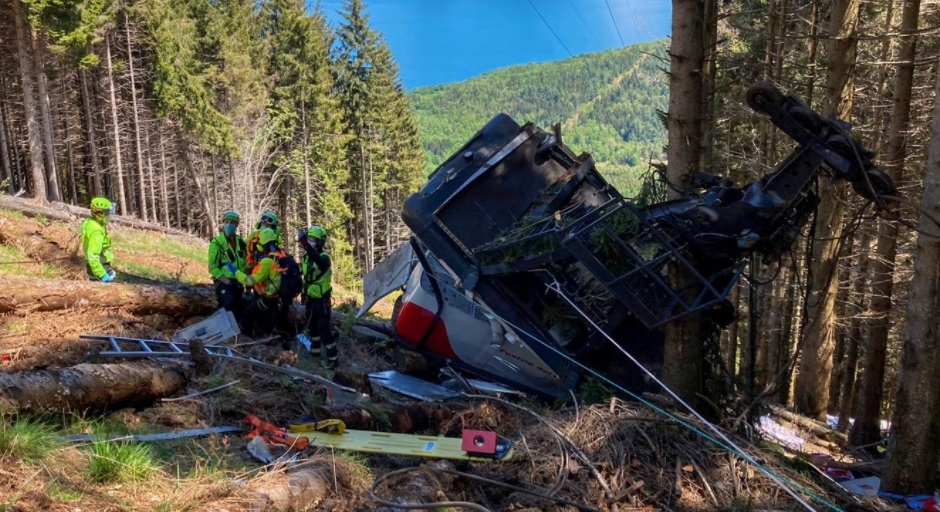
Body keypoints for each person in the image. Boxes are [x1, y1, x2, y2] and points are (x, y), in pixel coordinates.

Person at [227, 227, 282, 338]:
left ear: (264, 244)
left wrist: (235, 271)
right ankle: (267, 337)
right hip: (276, 298)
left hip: (268, 298)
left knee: (248, 314)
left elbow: (249, 281)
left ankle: (245, 339)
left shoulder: (267, 261)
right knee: (265, 320)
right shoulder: (281, 256)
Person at [299, 225, 336, 369]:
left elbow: (320, 264)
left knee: (323, 328)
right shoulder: (306, 257)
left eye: (313, 239)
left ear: (320, 242)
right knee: (312, 327)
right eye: (309, 239)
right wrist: (303, 293)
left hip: (321, 300)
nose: (311, 242)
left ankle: (333, 358)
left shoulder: (324, 257)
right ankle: (315, 353)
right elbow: (307, 277)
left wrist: (306, 245)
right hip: (310, 298)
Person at [208, 210, 248, 323]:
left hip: (239, 281)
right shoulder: (217, 243)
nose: (229, 225)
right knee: (228, 302)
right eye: (227, 222)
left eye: (232, 222)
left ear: (236, 225)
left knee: (239, 309)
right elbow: (212, 268)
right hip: (224, 282)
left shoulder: (240, 242)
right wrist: (227, 281)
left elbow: (245, 262)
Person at [82, 197, 117, 282]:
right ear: (99, 214)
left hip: (93, 267)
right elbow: (93, 256)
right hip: (100, 267)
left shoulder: (90, 222)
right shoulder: (96, 232)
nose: (109, 216)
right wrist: (102, 275)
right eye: (107, 213)